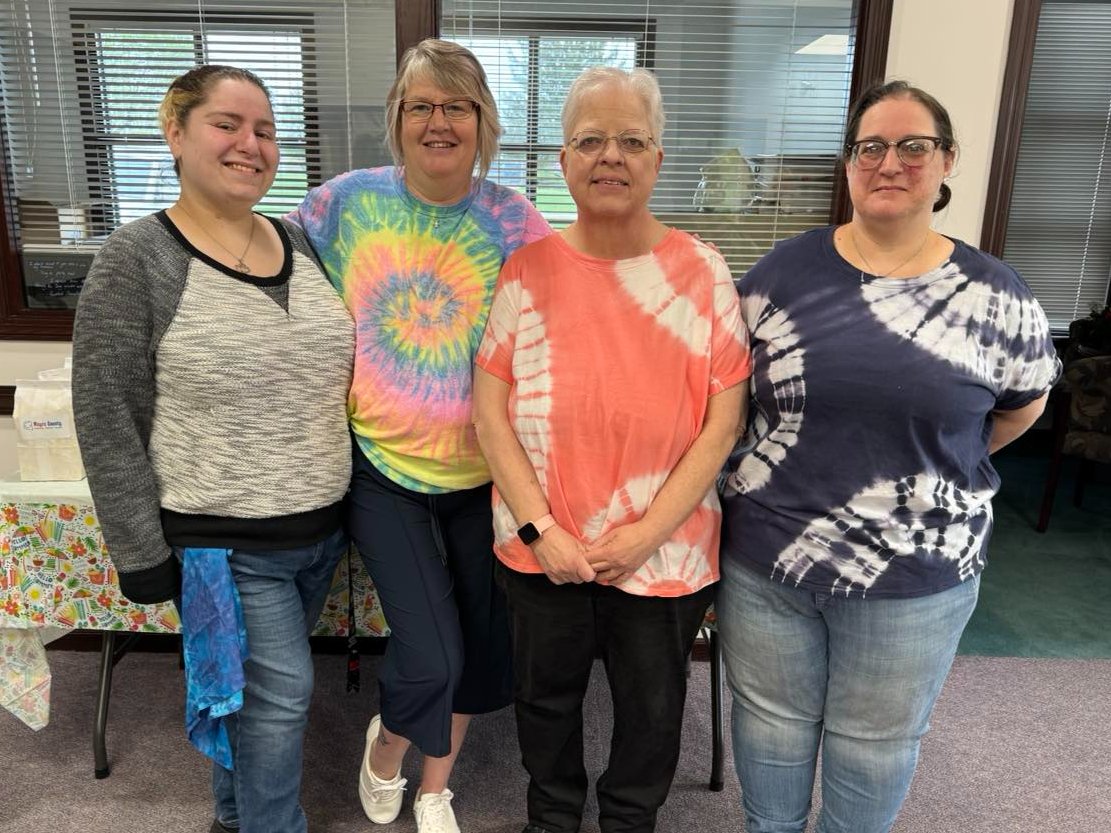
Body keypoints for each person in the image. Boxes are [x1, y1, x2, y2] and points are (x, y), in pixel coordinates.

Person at [716, 80, 1061, 833]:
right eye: (870, 147)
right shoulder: (780, 275)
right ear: (848, 164)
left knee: (871, 749)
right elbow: (732, 403)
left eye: (913, 146)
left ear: (945, 162)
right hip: (768, 559)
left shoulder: (996, 295)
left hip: (911, 572)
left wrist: (924, 472)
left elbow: (1021, 407)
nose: (890, 162)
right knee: (769, 728)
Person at [72, 65, 353, 833]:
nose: (250, 144)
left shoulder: (301, 241)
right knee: (281, 697)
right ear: (175, 132)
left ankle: (231, 819)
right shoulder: (137, 260)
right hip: (221, 542)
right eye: (227, 124)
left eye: (264, 130)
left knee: (245, 696)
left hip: (316, 532)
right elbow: (106, 413)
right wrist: (137, 551)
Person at [472, 66, 751, 833]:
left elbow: (722, 421)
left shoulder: (701, 271)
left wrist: (644, 533)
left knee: (652, 713)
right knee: (545, 704)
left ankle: (630, 822)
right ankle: (551, 819)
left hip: (664, 553)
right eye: (590, 140)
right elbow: (488, 410)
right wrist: (540, 527)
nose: (610, 156)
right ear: (562, 162)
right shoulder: (526, 271)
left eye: (631, 140)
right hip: (542, 546)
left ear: (657, 161)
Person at [288, 39, 550, 833]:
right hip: (381, 467)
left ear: (483, 122)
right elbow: (271, 288)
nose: (438, 121)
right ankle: (385, 751)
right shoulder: (341, 205)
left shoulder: (517, 221)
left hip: (486, 472)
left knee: (477, 643)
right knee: (432, 650)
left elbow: (553, 341)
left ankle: (436, 786)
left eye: (457, 106)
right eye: (421, 106)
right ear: (397, 120)